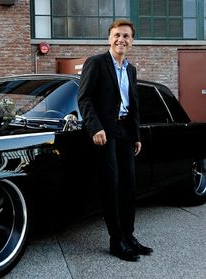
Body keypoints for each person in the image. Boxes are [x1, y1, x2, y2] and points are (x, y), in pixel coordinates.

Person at [78, 19, 153, 262]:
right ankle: (116, 241)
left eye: (126, 36)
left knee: (129, 186)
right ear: (109, 38)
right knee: (112, 187)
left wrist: (136, 135)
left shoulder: (130, 69)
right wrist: (95, 127)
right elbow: (85, 99)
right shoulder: (96, 63)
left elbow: (134, 105)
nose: (121, 39)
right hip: (105, 133)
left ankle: (129, 237)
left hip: (125, 133)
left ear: (132, 41)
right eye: (117, 35)